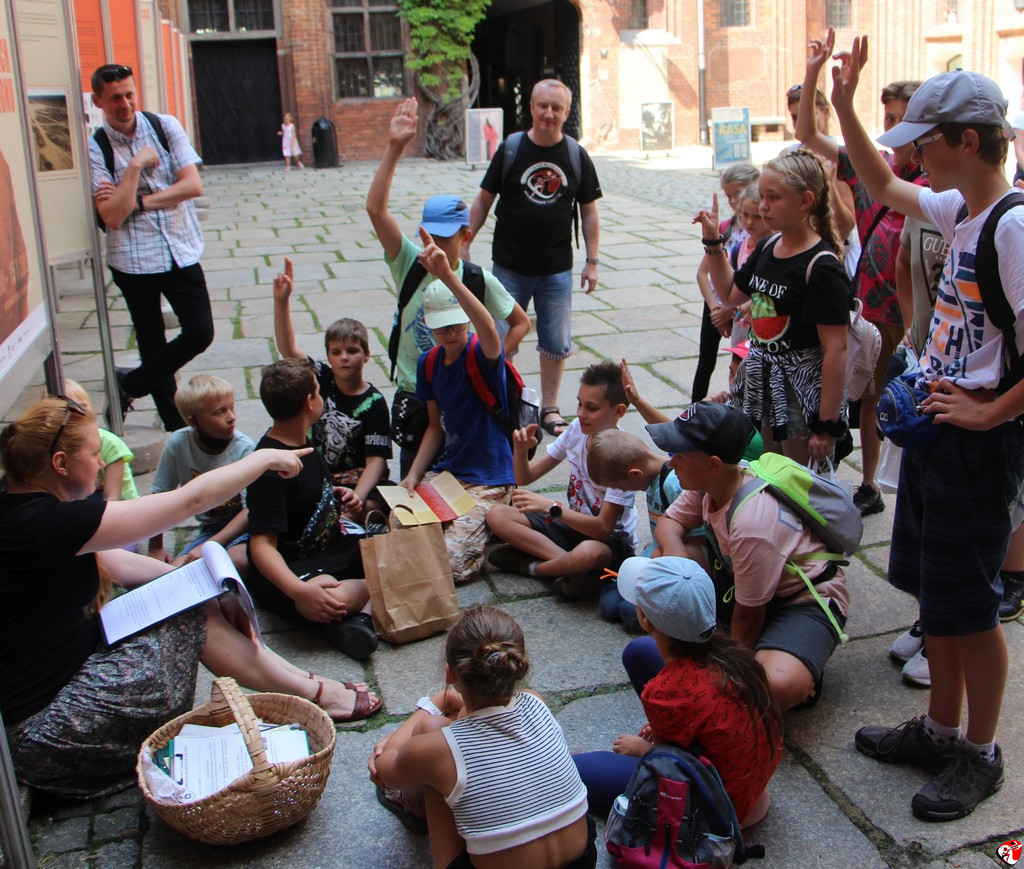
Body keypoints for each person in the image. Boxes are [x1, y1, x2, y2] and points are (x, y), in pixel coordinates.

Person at [0, 396, 381, 799]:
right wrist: (264, 459)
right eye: (94, 454)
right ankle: (311, 692)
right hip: (50, 731)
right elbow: (190, 501)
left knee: (192, 598)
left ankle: (305, 685)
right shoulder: (45, 523)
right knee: (189, 613)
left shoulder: (28, 512)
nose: (100, 464)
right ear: (60, 464)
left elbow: (121, 564)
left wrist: (210, 589)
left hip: (69, 686)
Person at [829, 39, 1024, 820]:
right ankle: (941, 728)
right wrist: (842, 104)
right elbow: (879, 181)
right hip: (936, 433)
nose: (914, 159)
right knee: (939, 596)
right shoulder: (960, 210)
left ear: (967, 141)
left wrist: (989, 409)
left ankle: (980, 751)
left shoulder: (1012, 227)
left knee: (972, 606)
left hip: (976, 444)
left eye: (924, 142)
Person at [796, 29, 925, 516]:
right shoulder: (875, 166)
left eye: (902, 119)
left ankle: (910, 479)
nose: (893, 128)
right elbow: (809, 136)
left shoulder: (935, 181)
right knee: (871, 400)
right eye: (888, 118)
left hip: (916, 316)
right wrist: (815, 73)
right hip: (872, 307)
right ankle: (870, 482)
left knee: (914, 398)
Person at [366, 97, 529, 476]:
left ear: (465, 235)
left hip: (462, 394)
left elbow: (520, 322)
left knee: (463, 477)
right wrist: (394, 147)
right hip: (415, 389)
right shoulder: (409, 261)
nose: (434, 244)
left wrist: (490, 363)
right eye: (429, 235)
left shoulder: (476, 279)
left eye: (444, 237)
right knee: (416, 475)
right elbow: (375, 210)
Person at [653, 402, 850, 711]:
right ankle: (760, 652)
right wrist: (677, 560)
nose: (671, 462)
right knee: (659, 562)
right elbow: (668, 524)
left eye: (680, 455)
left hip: (800, 601)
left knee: (773, 686)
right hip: (745, 590)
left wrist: (730, 669)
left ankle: (797, 664)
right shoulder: (710, 484)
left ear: (713, 464)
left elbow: (749, 616)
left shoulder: (752, 522)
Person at [368, 605, 596, 869]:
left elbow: (384, 768)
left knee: (433, 740)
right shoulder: (537, 702)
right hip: (582, 860)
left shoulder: (436, 752)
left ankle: (414, 806)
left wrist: (434, 703)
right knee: (451, 749)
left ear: (450, 673)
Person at [573, 556, 783, 829]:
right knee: (639, 651)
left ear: (645, 620)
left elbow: (672, 764)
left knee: (575, 771)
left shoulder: (664, 692)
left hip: (715, 804)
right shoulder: (736, 657)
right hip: (746, 778)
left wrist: (643, 749)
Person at [694, 149, 851, 468]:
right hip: (764, 384)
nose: (763, 205)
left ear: (805, 201)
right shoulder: (768, 247)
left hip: (799, 395)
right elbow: (730, 293)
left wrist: (826, 425)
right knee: (769, 473)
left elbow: (836, 351)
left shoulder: (821, 266)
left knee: (796, 482)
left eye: (773, 197)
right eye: (762, 196)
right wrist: (713, 242)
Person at [465, 79, 603, 439]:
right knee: (499, 338)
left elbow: (589, 211)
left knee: (555, 342)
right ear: (531, 107)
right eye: (543, 105)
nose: (549, 113)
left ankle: (550, 407)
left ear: (567, 112)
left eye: (557, 107)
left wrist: (592, 260)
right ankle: (502, 401)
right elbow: (483, 201)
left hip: (556, 269)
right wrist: (465, 242)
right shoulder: (511, 149)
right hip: (509, 267)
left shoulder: (575, 155)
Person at [89, 63, 213, 432]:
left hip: (179, 249)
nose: (125, 104)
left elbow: (192, 186)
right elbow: (112, 216)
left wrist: (136, 201)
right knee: (151, 343)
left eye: (129, 94)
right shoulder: (96, 147)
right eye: (115, 98)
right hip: (132, 259)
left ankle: (128, 385)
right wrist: (135, 167)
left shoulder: (164, 126)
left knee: (200, 332)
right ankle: (174, 424)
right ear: (98, 101)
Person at [399, 229, 515, 585]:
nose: (450, 333)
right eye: (441, 328)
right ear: (428, 325)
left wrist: (448, 275)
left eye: (456, 324)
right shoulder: (429, 363)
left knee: (448, 563)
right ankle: (467, 528)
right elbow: (436, 427)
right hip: (450, 474)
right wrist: (413, 475)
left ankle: (483, 526)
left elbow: (491, 331)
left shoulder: (480, 352)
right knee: (400, 524)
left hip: (489, 478)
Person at [246, 358, 378, 661]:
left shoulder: (305, 443)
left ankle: (348, 619)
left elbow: (307, 496)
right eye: (319, 392)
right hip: (292, 571)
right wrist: (299, 591)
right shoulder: (271, 468)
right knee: (345, 590)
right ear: (309, 402)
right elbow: (262, 546)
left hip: (332, 549)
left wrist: (337, 495)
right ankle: (360, 614)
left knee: (395, 551)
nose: (322, 398)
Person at [485, 361, 638, 600]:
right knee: (497, 515)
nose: (580, 413)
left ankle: (533, 567)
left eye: (591, 408)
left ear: (618, 411)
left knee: (587, 554)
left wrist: (551, 507)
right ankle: (571, 569)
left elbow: (603, 528)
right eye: (579, 403)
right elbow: (525, 477)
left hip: (609, 543)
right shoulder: (577, 429)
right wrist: (521, 451)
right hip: (572, 526)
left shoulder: (622, 456)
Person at [273, 256, 392, 521]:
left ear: (367, 355)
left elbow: (377, 461)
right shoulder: (321, 378)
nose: (344, 358)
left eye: (352, 351)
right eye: (336, 352)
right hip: (318, 475)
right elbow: (288, 349)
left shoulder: (374, 402)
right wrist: (281, 301)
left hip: (357, 482)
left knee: (374, 506)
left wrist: (358, 497)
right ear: (328, 357)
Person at [147, 374, 255, 574]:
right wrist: (155, 548)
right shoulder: (178, 444)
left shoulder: (244, 448)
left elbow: (251, 511)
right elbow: (160, 496)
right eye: (220, 412)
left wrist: (208, 546)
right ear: (194, 422)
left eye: (232, 407)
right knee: (175, 571)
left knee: (236, 561)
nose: (231, 417)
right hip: (211, 530)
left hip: (244, 529)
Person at [691, 162, 759, 401]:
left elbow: (761, 286)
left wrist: (732, 311)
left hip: (742, 309)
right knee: (705, 362)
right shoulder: (726, 227)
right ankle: (694, 411)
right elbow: (703, 273)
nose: (732, 201)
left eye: (737, 194)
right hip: (718, 304)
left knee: (740, 362)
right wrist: (714, 309)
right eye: (728, 195)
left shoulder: (762, 232)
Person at [784, 81, 860, 278]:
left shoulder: (839, 157)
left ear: (825, 112)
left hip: (831, 253)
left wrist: (830, 184)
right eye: (795, 117)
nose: (800, 122)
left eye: (808, 114)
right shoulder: (787, 155)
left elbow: (845, 227)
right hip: (795, 251)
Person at [63, 380, 138, 502]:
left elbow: (112, 499)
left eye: (82, 408)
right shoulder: (55, 444)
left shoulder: (109, 444)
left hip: (119, 503)